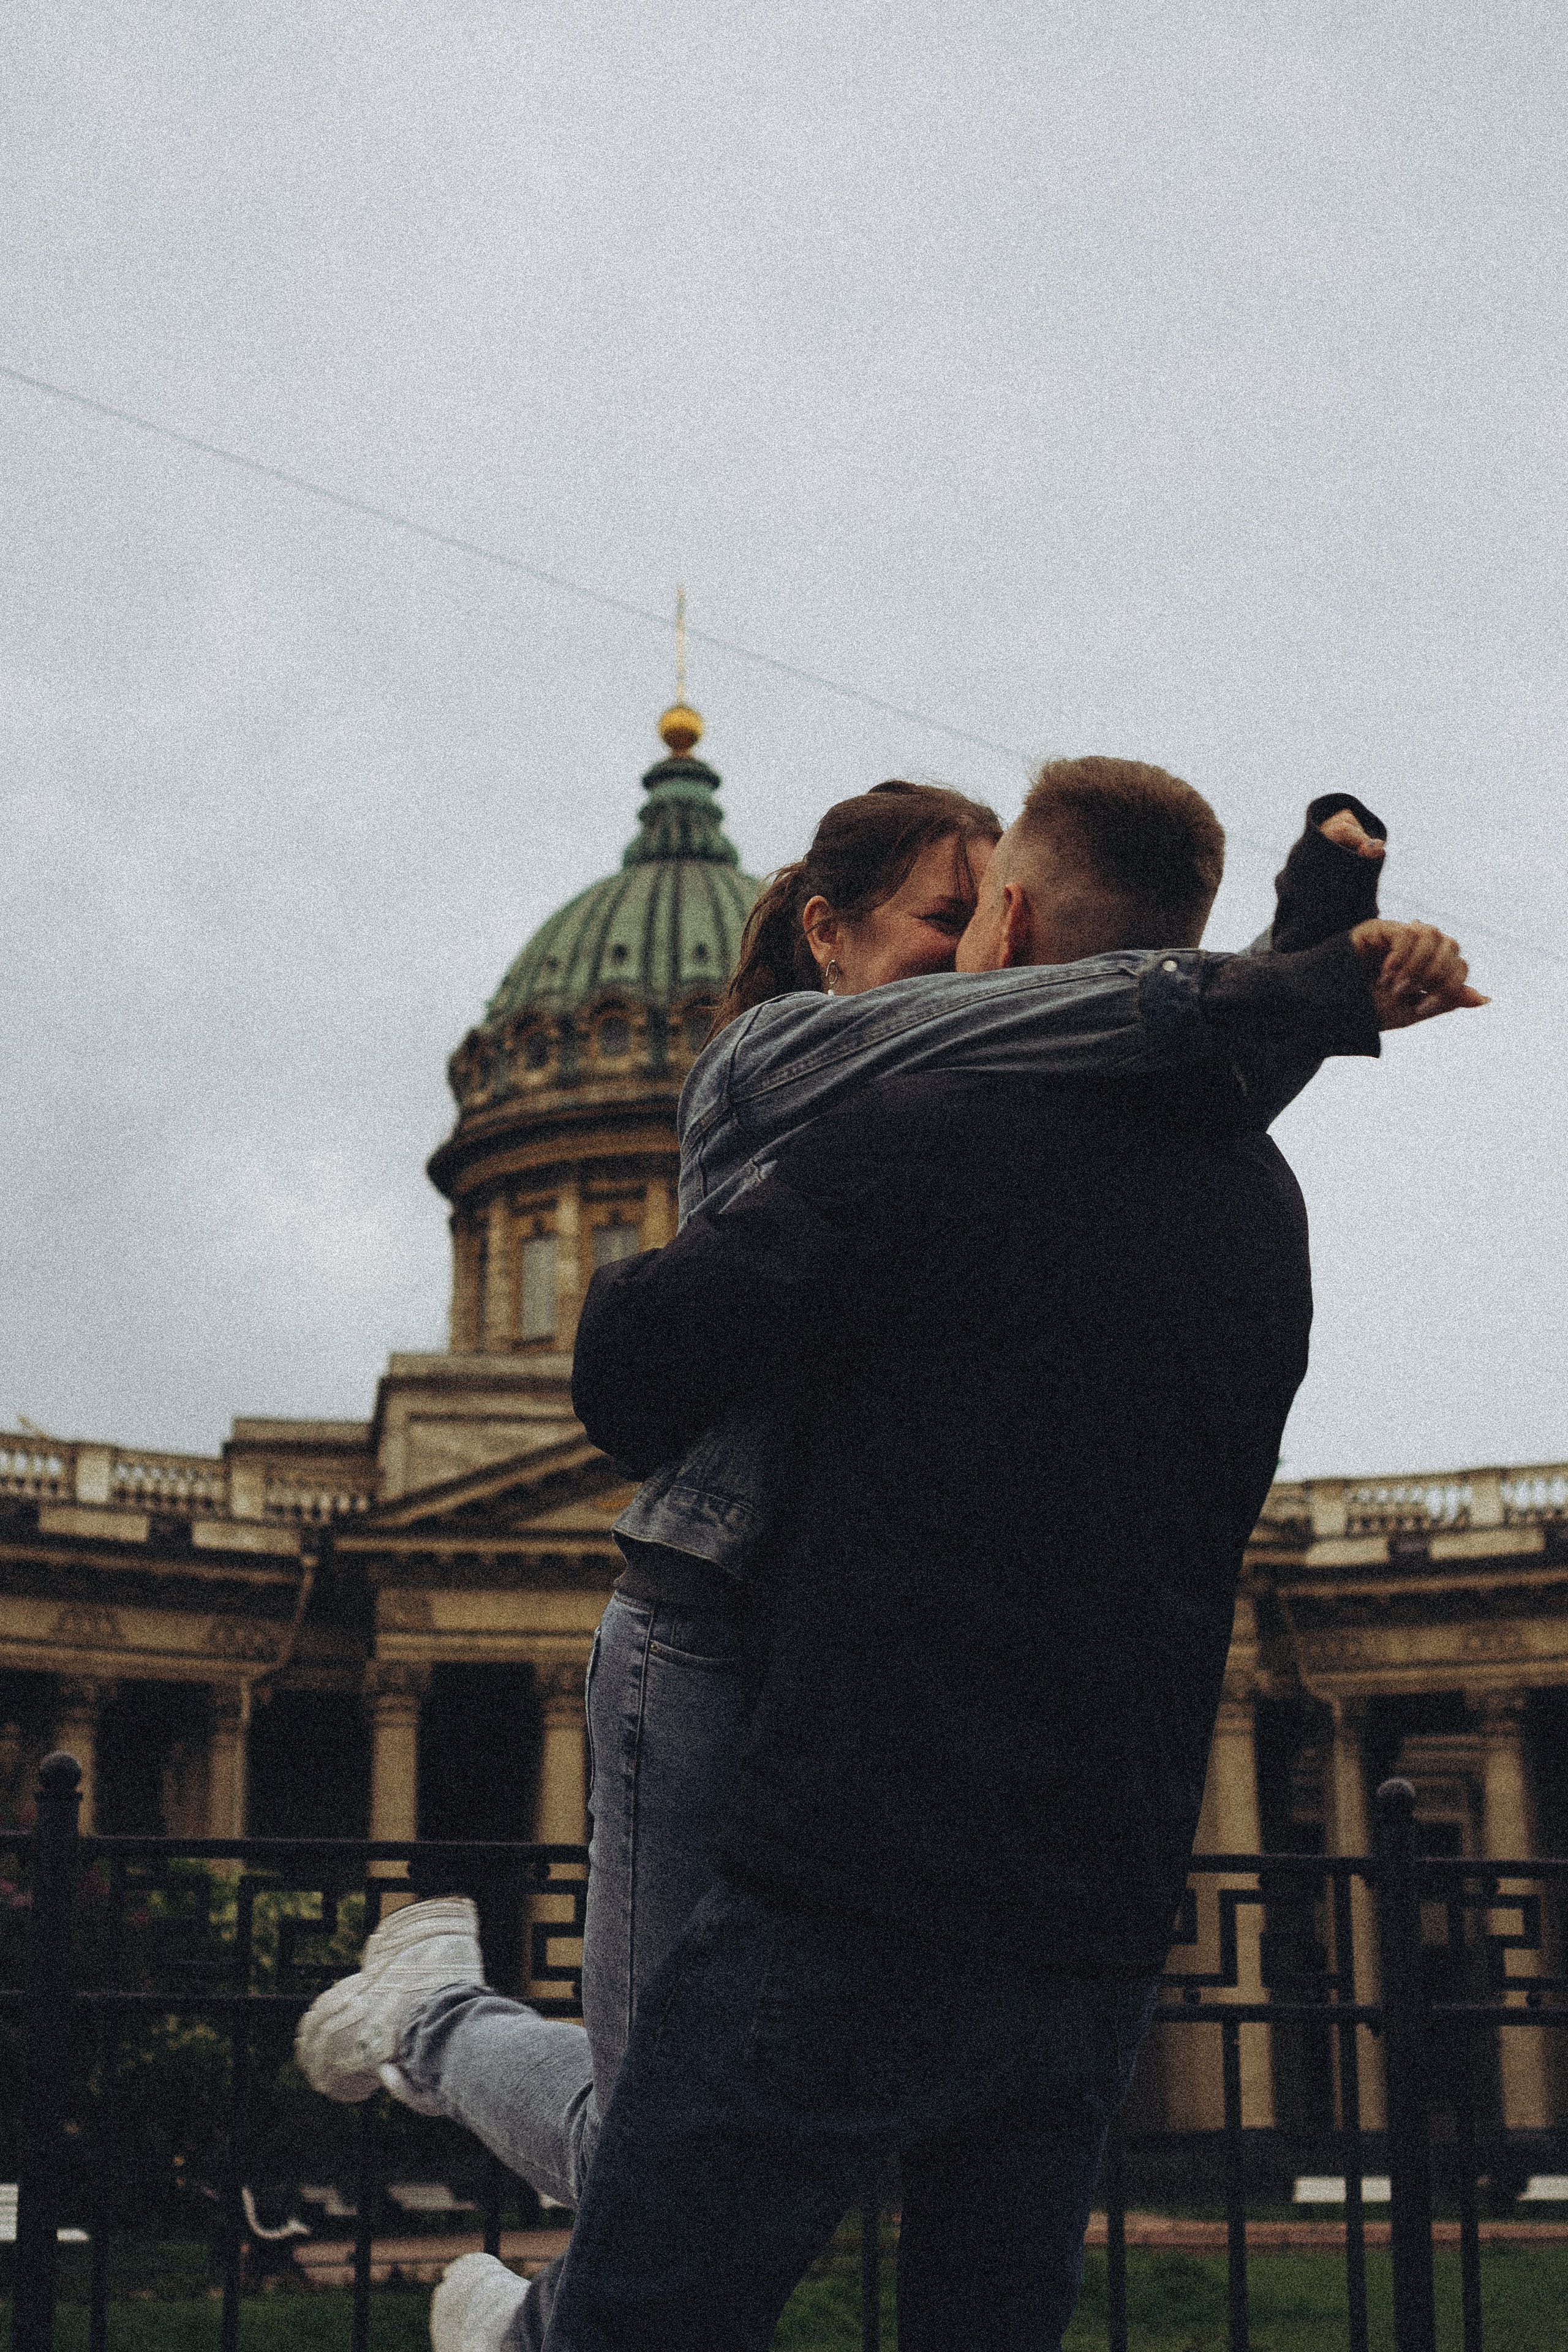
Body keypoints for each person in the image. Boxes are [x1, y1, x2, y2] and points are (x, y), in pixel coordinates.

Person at [293, 764, 1423, 2346]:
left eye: (975, 918)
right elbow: (1206, 1084)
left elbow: (630, 1374)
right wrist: (1319, 930)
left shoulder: (912, 1138)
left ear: (1010, 923)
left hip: (863, 1864)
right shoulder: (1258, 1207)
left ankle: (481, 2204)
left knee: (649, 2260)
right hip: (1098, 1900)